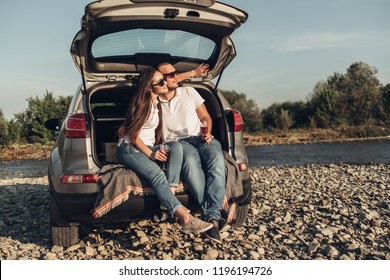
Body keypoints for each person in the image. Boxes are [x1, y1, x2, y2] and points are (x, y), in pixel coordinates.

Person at [116, 67, 213, 235]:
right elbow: (133, 135)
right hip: (130, 148)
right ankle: (186, 219)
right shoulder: (143, 104)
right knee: (157, 175)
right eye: (160, 82)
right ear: (149, 87)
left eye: (163, 80)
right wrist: (152, 154)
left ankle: (170, 193)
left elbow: (173, 78)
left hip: (146, 146)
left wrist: (194, 73)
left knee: (175, 146)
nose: (164, 83)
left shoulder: (156, 102)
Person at [156, 62, 226, 244]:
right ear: (161, 80)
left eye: (175, 73)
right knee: (192, 165)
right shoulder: (154, 100)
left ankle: (211, 214)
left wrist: (208, 132)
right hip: (178, 144)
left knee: (217, 161)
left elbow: (206, 118)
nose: (175, 76)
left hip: (201, 137)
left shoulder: (189, 92)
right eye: (170, 75)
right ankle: (213, 218)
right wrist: (193, 72)